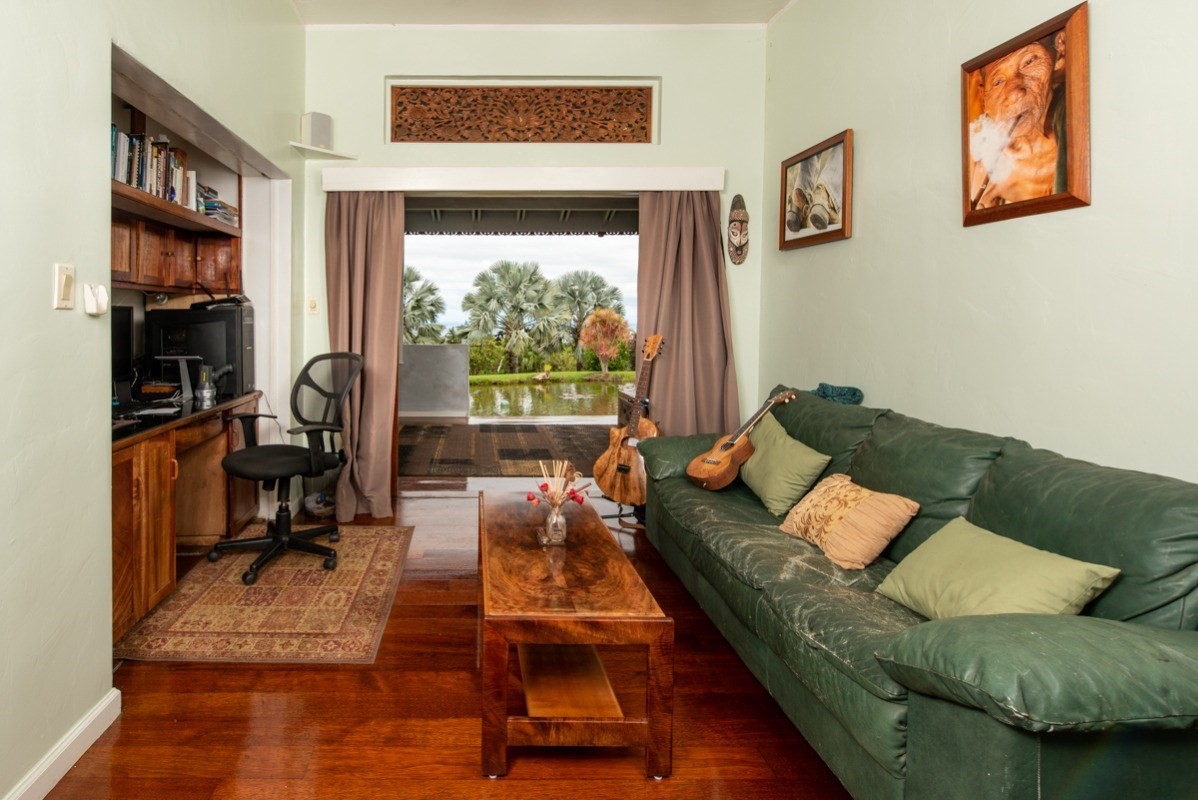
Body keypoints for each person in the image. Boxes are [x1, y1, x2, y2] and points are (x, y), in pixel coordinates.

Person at [968, 36, 1066, 209]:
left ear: (1058, 53)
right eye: (998, 82)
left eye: (1029, 62)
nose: (1015, 93)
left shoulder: (1069, 113)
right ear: (985, 96)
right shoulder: (990, 163)